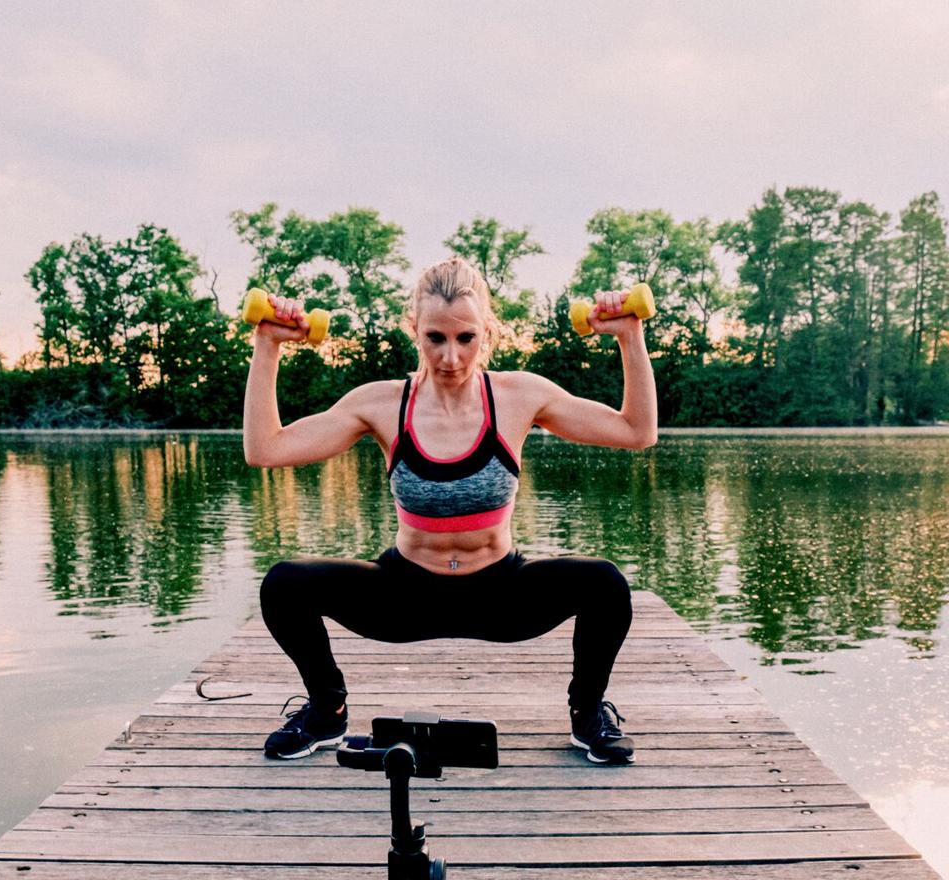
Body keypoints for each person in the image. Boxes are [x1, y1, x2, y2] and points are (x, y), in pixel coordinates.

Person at [243, 256, 658, 764]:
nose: (450, 357)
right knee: (284, 583)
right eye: (435, 338)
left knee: (606, 585)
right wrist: (267, 347)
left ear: (488, 332)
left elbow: (637, 431)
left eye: (466, 339)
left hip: (501, 591)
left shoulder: (519, 396)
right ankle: (327, 710)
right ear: (413, 329)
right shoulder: (380, 403)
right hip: (406, 592)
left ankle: (587, 715)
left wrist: (628, 336)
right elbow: (266, 449)